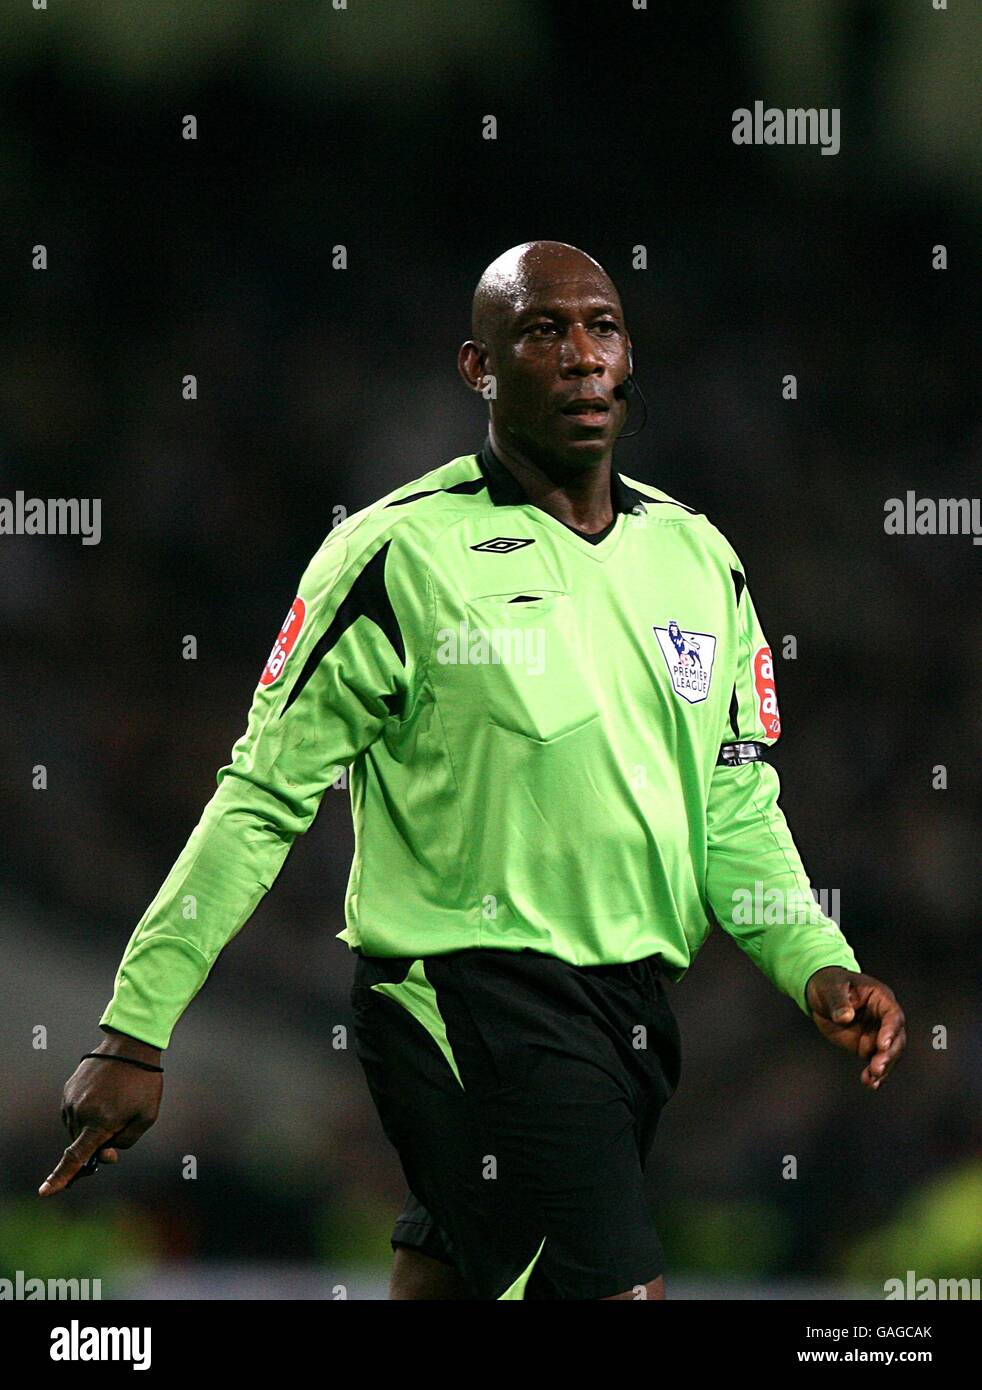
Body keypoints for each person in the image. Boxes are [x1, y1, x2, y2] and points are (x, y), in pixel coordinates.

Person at [39, 241, 906, 1300]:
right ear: (477, 370)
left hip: (626, 1011)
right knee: (609, 1291)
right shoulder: (397, 556)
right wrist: (137, 1023)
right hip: (463, 997)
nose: (582, 355)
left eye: (603, 328)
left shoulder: (697, 559)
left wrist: (812, 956)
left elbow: (730, 798)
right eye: (544, 331)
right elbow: (262, 795)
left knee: (448, 1282)